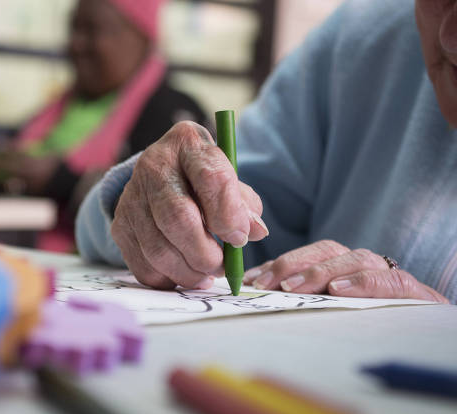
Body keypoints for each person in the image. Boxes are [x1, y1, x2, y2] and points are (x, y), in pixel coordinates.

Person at [75, 0, 456, 304]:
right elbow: (235, 222)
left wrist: (435, 334)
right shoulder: (358, 40)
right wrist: (158, 200)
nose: (450, 37)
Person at [0, 0, 208, 250]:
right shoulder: (60, 107)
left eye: (93, 30)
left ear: (142, 38)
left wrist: (60, 181)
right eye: (73, 28)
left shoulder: (175, 117)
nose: (76, 43)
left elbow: (167, 209)